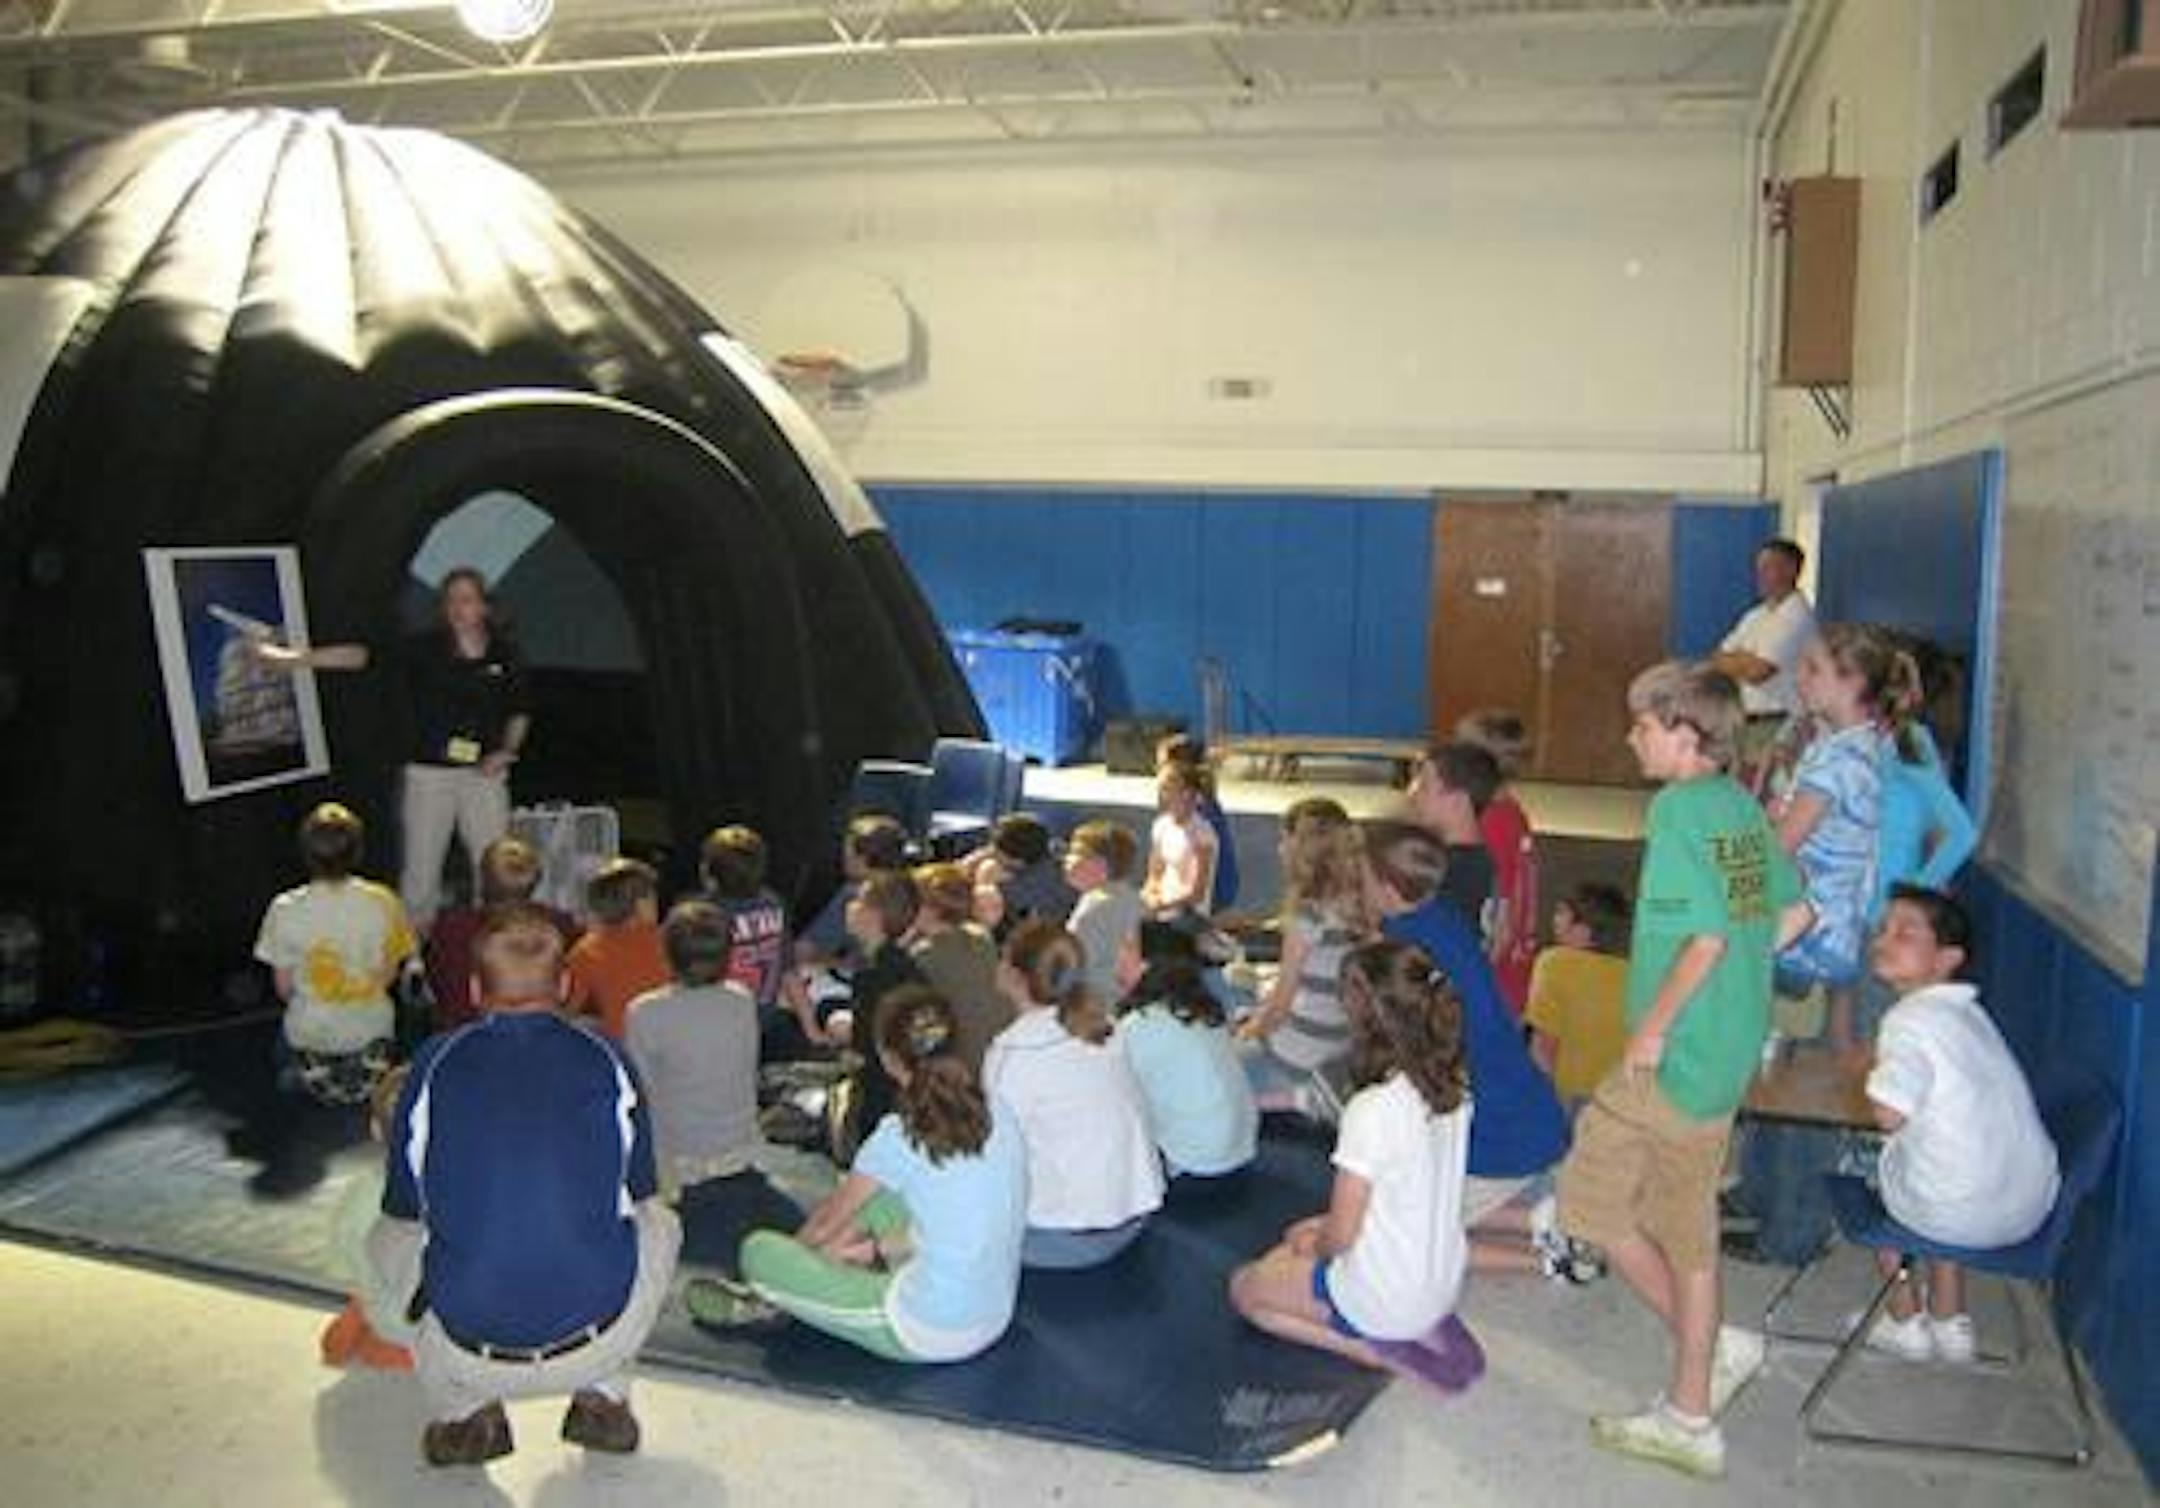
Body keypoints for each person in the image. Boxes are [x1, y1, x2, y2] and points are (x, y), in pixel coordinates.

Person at [1554, 661, 1806, 1480]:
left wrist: (1652, 1032)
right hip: (1727, 1050)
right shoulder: (1740, 806)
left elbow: (1705, 939)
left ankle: (1698, 1396)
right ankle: (1697, 1388)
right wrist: (1739, 994)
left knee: (1590, 1204)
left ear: (1686, 733)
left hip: (1677, 1057)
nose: (1632, 737)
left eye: (1643, 724)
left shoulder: (1677, 812)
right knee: (1686, 1230)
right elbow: (1796, 911)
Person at [368, 903, 681, 1466]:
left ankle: (464, 1414)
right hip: (598, 1332)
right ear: (564, 983)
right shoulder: (607, 1057)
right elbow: (638, 1189)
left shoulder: (434, 1063)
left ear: (472, 987)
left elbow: (405, 1202)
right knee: (660, 1220)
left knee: (386, 1237)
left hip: (470, 1344)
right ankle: (604, 1397)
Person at [685, 989, 1028, 1363]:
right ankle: (839, 1269)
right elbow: (962, 1220)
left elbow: (822, 1224)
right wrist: (867, 1250)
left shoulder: (899, 1135)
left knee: (759, 1251)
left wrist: (796, 1265)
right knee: (885, 1198)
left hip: (927, 1330)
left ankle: (772, 1299)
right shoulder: (1000, 1110)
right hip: (994, 1313)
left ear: (888, 1058)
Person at [1227, 939, 1484, 1395]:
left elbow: (1341, 1238)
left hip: (1387, 1297)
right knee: (1293, 1242)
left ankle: (1373, 1348)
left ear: (1364, 1013)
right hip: (1443, 1278)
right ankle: (1418, 1324)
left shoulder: (1373, 1108)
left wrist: (1312, 1244)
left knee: (1246, 1289)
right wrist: (1312, 1235)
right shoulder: (1453, 1080)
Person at [1363, 821, 1583, 1283]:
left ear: (1384, 887)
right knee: (1423, 1206)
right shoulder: (1437, 916)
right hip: (1528, 1114)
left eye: (1362, 877)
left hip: (1500, 1139)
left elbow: (1426, 1064)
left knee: (1395, 1230)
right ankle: (1543, 1220)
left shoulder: (1408, 949)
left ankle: (1548, 1257)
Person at [255, 568, 531, 932]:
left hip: (484, 775)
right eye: (450, 600)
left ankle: (499, 945)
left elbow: (519, 710)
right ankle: (414, 955)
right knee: (420, 869)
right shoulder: (423, 647)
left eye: (466, 599)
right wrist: (295, 659)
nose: (457, 608)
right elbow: (362, 656)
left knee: (496, 866)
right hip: (429, 773)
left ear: (484, 606)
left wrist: (507, 750)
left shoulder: (505, 653)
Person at [1857, 886, 2060, 1363]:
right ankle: (1951, 1319)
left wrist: (1871, 1083)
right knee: (1942, 1158)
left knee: (1870, 1161)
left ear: (1947, 958)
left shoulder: (1908, 1023)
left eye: (1906, 933)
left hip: (1958, 1214)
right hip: (2028, 1211)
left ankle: (1905, 1319)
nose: (1885, 939)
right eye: (1883, 929)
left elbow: (1889, 1113)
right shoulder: (1970, 1016)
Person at [984, 919, 1163, 1269]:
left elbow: (997, 1161)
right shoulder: (1106, 1028)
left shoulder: (1011, 1054)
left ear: (1015, 976)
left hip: (1066, 1237)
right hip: (1134, 1214)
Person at [253, 802, 415, 1117]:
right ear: (358, 852)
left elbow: (284, 990)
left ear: (306, 854)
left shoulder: (283, 908)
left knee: (282, 1044)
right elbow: (389, 975)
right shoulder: (383, 900)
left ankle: (303, 1075)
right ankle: (373, 1072)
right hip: (372, 1031)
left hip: (310, 1033)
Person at [1237, 803, 1368, 1121]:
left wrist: (1245, 1033)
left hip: (1300, 1053)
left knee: (1215, 1064)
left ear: (1300, 850)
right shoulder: (1358, 905)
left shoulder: (1308, 916)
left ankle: (1296, 1097)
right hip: (1339, 1043)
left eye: (1284, 839)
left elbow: (1280, 1008)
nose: (1279, 848)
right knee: (1247, 987)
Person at [624, 901, 761, 1197]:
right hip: (742, 1151)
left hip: (679, 1164)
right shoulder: (742, 999)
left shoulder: (645, 1012)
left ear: (666, 954)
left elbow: (640, 1095)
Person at [1115, 917, 1259, 1180]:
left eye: (1127, 947)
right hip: (1241, 1151)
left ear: (1146, 967)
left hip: (1197, 1166)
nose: (1119, 953)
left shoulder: (1140, 1025)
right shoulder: (1200, 1010)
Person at [424, 835, 576, 1032]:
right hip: (547, 1036)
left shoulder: (450, 928)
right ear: (536, 880)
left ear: (483, 879)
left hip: (464, 1039)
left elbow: (439, 988)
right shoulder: (561, 926)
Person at [319, 1066, 416, 1372]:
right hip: (469, 1338)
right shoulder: (480, 1190)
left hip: (398, 1329)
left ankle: (392, 1345)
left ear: (375, 1129)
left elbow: (356, 1281)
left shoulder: (358, 1199)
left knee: (369, 1310)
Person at [833, 870, 929, 1156]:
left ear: (873, 916)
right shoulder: (909, 969)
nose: (850, 907)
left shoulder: (873, 978)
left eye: (859, 901)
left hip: (880, 1095)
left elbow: (862, 1050)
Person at [1454, 709, 1542, 1017]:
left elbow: (1498, 918)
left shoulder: (1490, 825)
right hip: (1512, 974)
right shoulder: (1511, 813)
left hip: (1493, 983)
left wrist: (1470, 982)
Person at [1709, 538, 1816, 785]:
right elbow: (1717, 658)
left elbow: (1759, 671)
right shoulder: (1755, 615)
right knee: (1741, 793)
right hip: (1747, 722)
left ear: (1791, 570)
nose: (1760, 575)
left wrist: (1742, 661)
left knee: (1761, 799)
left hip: (1777, 724)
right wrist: (1743, 661)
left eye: (1768, 567)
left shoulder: (1796, 616)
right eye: (1759, 568)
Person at [1524, 883, 1634, 1115]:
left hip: (1569, 1096)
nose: (1554, 919)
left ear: (1583, 929)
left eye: (1562, 913)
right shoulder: (1633, 973)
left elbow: (1544, 1046)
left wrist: (1536, 1104)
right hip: (1621, 1100)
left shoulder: (1555, 963)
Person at [908, 861, 1012, 1073]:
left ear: (926, 908)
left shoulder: (924, 955)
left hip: (966, 1063)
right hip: (1003, 1053)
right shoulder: (980, 937)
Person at [563, 858, 668, 1042]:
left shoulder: (587, 950)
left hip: (624, 1048)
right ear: (642, 903)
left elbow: (566, 1008)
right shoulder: (670, 942)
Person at [697, 825, 791, 1021]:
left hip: (718, 1017)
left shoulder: (702, 914)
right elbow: (787, 966)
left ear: (710, 871)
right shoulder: (773, 903)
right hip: (765, 1014)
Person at [796, 814, 910, 969]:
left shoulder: (854, 895)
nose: (842, 858)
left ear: (862, 857)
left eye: (847, 852)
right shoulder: (910, 890)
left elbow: (805, 950)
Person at [1406, 741, 1498, 933]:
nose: (1412, 795)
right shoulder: (1478, 862)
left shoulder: (1455, 872)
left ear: (1459, 799)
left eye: (1424, 786)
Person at [1063, 819, 1144, 1006]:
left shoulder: (1096, 907)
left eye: (1075, 853)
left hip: (1096, 1009)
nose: (1067, 859)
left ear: (1098, 863)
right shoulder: (1131, 898)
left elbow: (1073, 969)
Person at [1157, 734, 1240, 912]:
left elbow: (1199, 888)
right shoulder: (1199, 803)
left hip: (1210, 895)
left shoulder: (1198, 816)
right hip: (1215, 891)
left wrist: (1163, 905)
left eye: (1161, 766)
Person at [968, 813, 1077, 936]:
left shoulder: (1022, 888)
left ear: (1017, 862)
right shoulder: (1054, 851)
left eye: (996, 851)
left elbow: (983, 901)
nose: (992, 852)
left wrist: (983, 878)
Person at [1143, 761, 1220, 916]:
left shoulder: (1202, 833)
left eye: (1166, 788)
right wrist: (1150, 895)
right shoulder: (1161, 825)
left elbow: (1198, 893)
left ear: (1187, 792)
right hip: (1161, 914)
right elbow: (1154, 874)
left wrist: (1164, 906)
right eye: (1161, 788)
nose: (1161, 794)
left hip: (1188, 920)